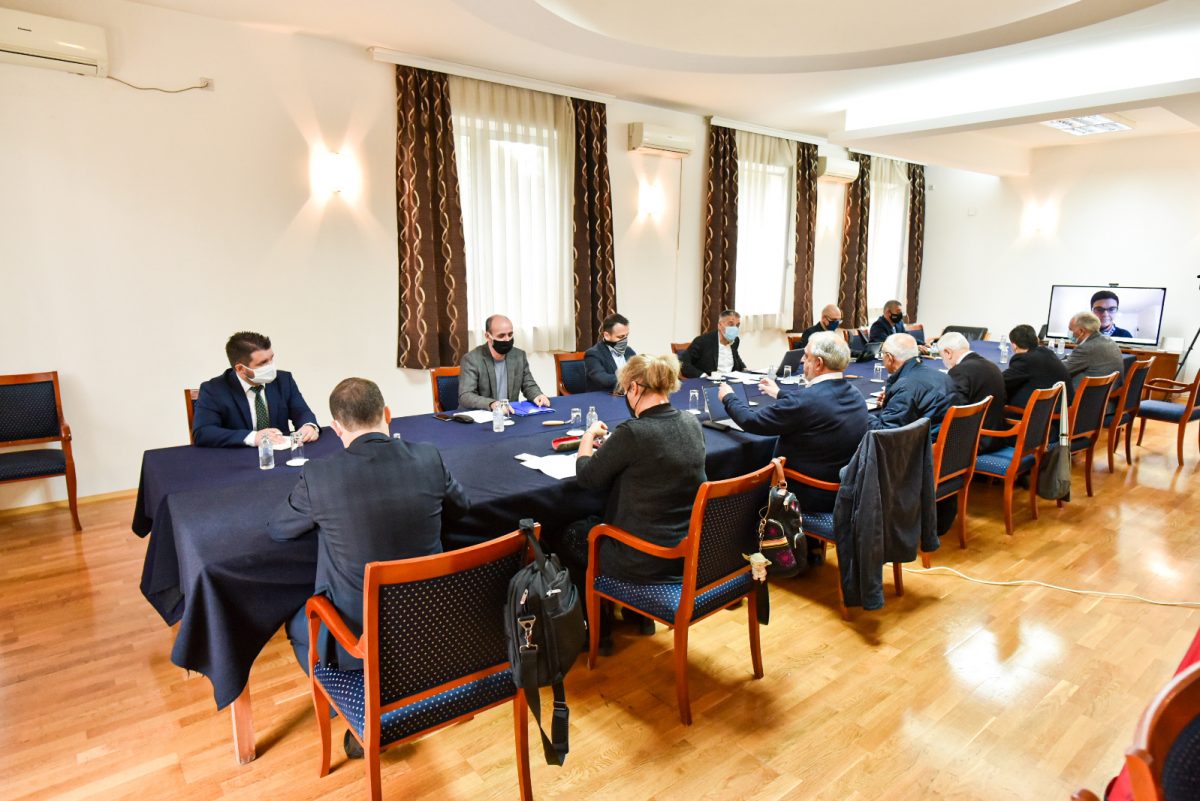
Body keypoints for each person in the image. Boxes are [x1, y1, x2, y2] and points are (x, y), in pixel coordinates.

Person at [269, 377, 470, 675]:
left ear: (336, 428)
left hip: (359, 638)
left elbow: (279, 528)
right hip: (433, 620)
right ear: (387, 414)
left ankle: (346, 693)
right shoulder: (429, 456)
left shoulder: (319, 475)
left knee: (297, 624)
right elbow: (462, 507)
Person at [558, 353, 707, 645]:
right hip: (683, 552)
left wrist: (587, 437)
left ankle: (598, 633)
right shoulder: (691, 423)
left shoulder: (634, 433)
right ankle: (639, 616)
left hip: (640, 560)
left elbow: (587, 477)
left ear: (635, 388)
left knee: (570, 535)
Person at [718, 332, 867, 513]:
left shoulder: (804, 402)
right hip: (844, 491)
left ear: (818, 363)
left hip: (804, 494)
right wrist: (779, 393)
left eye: (806, 356)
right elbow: (821, 401)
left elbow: (752, 421)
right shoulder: (856, 395)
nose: (802, 360)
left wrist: (729, 397)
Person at [192, 331, 319, 448]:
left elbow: (302, 411)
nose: (271, 366)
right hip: (238, 458)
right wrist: (254, 437)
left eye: (271, 358)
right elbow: (203, 432)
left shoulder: (284, 380)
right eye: (263, 363)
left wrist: (309, 426)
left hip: (281, 454)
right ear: (241, 369)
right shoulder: (213, 389)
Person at [458, 314, 550, 411]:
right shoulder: (471, 359)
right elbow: (466, 396)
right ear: (488, 336)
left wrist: (537, 395)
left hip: (509, 414)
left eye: (510, 334)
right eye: (501, 335)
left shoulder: (519, 356)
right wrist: (492, 404)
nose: (507, 339)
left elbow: (528, 384)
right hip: (480, 415)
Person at [938, 332, 1007, 453]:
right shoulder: (991, 365)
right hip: (996, 437)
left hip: (975, 442)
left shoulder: (959, 371)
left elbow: (956, 413)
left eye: (942, 356)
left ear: (948, 352)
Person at [868, 333, 952, 431]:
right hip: (948, 437)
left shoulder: (905, 387)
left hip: (924, 439)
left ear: (890, 358)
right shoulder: (944, 377)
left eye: (882, 354)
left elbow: (885, 432)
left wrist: (860, 413)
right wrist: (892, 400)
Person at [1003, 323, 1072, 407]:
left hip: (1045, 408)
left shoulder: (1025, 360)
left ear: (1014, 346)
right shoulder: (1046, 352)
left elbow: (1002, 381)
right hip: (1063, 402)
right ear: (1036, 340)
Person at [1064, 311, 1124, 390]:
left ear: (1081, 331)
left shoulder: (1086, 348)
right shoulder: (1109, 340)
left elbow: (1062, 370)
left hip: (1091, 394)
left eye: (1070, 329)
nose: (1069, 332)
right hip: (1111, 389)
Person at [679, 309, 746, 378]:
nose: (735, 328)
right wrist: (703, 376)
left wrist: (745, 369)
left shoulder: (735, 341)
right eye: (731, 324)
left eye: (737, 325)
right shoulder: (702, 341)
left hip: (730, 379)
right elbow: (683, 364)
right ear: (720, 325)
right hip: (709, 381)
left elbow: (735, 357)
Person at [584, 313, 636, 392]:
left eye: (626, 336)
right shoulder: (593, 354)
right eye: (621, 337)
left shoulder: (628, 350)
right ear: (607, 335)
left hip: (627, 393)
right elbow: (603, 379)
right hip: (603, 395)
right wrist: (630, 378)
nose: (625, 340)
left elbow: (638, 371)